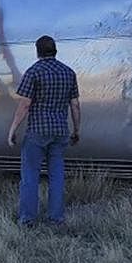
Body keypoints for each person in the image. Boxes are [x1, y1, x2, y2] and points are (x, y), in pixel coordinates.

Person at [7, 35, 80, 226]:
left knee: (30, 176)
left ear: (37, 51)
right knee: (57, 177)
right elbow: (75, 105)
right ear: (55, 50)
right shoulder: (68, 73)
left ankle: (27, 218)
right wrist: (76, 130)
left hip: (37, 131)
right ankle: (56, 218)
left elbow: (24, 105)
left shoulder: (34, 72)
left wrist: (13, 129)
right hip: (60, 131)